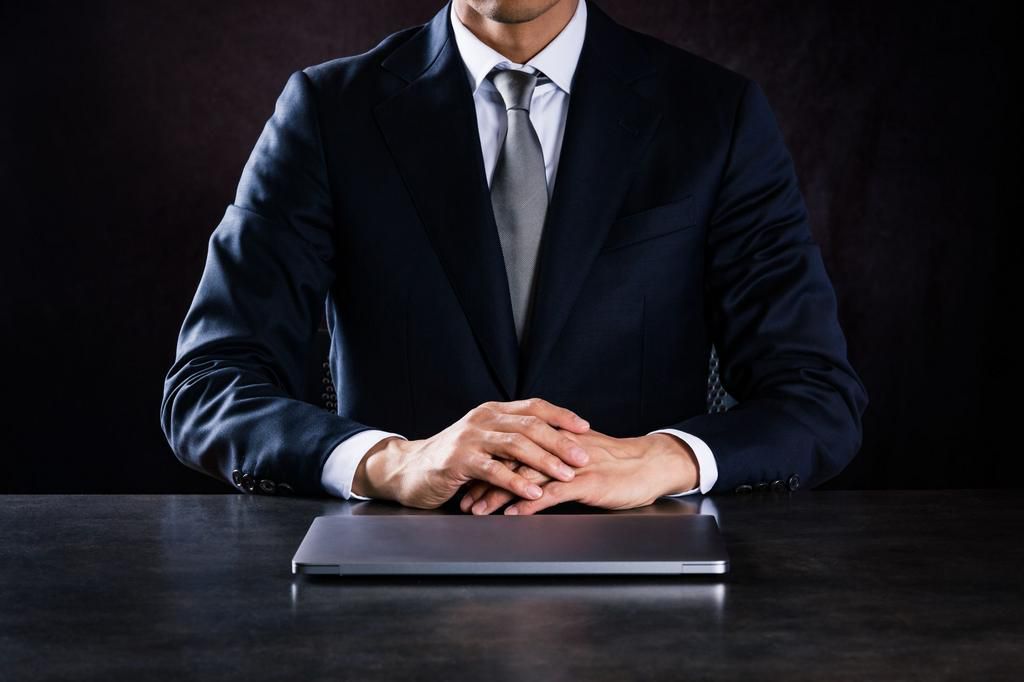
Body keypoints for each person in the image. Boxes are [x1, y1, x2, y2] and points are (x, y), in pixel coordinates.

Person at [160, 0, 869, 515]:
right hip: (393, 573)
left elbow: (816, 396)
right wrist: (389, 462)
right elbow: (210, 384)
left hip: (645, 573)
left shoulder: (716, 115)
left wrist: (661, 459)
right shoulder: (326, 111)